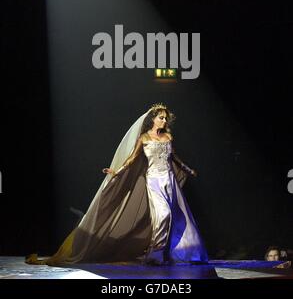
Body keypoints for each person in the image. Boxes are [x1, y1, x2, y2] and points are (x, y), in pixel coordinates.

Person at [26, 103, 208, 266]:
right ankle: (156, 254)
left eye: (165, 118)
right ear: (153, 119)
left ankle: (161, 254)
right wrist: (116, 171)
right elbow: (132, 159)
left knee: (173, 217)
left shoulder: (167, 137)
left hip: (169, 180)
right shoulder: (144, 138)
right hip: (154, 181)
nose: (164, 120)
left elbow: (174, 158)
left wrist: (188, 169)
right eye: (161, 117)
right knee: (163, 215)